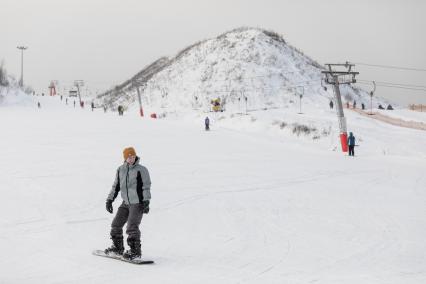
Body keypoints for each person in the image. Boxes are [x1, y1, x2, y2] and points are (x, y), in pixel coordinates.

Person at [104, 147, 151, 260]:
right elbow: (116, 186)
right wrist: (109, 200)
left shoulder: (141, 170)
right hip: (125, 203)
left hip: (137, 203)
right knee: (116, 224)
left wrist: (146, 201)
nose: (131, 159)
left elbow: (146, 186)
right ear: (125, 158)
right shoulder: (121, 169)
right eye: (129, 157)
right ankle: (117, 248)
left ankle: (135, 252)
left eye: (133, 156)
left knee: (132, 227)